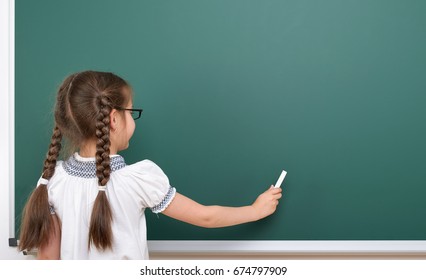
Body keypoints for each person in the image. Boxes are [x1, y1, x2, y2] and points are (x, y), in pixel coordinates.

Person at [18, 71, 283, 260]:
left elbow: (48, 263)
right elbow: (205, 216)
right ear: (113, 119)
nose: (133, 120)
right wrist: (254, 210)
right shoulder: (140, 178)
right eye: (131, 112)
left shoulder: (53, 180)